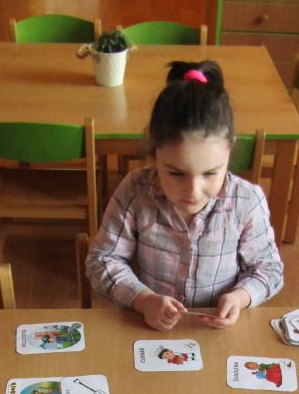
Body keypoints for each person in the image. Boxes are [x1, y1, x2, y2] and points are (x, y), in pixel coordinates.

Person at [86, 60, 284, 330]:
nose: (193, 190)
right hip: (148, 327)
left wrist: (240, 297)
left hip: (214, 332)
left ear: (229, 151)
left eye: (210, 173)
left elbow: (269, 268)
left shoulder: (247, 201)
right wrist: (144, 300)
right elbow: (102, 261)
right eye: (176, 173)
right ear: (155, 153)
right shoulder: (135, 191)